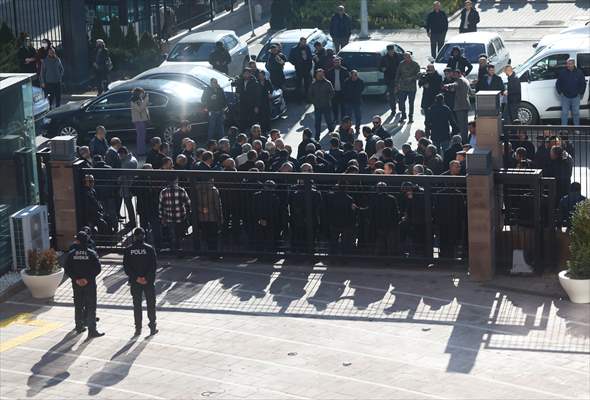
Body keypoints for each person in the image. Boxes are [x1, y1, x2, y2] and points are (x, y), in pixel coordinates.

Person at [64, 230, 104, 338]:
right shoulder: (91, 253)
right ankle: (92, 330)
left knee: (78, 305)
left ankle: (79, 326)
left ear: (77, 241)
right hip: (89, 284)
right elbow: (98, 269)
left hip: (76, 285)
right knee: (91, 306)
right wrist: (87, 279)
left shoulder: (71, 254)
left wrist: (76, 279)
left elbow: (67, 268)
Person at [123, 227, 158, 336]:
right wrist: (146, 278)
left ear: (134, 236)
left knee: (137, 304)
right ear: (144, 236)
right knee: (151, 304)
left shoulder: (129, 250)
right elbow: (153, 266)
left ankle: (138, 328)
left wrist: (136, 278)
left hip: (135, 282)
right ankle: (152, 326)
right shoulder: (149, 249)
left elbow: (126, 267)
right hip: (148, 282)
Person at [159, 178, 191, 255]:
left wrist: (162, 217)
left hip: (169, 217)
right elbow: (188, 203)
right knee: (180, 234)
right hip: (181, 216)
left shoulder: (163, 192)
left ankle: (174, 249)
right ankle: (180, 250)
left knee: (172, 234)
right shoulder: (181, 190)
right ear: (176, 181)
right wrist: (188, 213)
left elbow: (161, 206)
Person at [556, 58, 586, 126]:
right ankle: (564, 129)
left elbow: (583, 83)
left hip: (576, 97)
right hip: (565, 97)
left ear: (573, 64)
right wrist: (560, 92)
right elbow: (558, 83)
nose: (569, 65)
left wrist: (581, 93)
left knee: (576, 113)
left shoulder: (579, 72)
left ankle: (577, 128)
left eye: (570, 64)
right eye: (568, 64)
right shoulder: (562, 72)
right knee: (564, 113)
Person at [446, 69, 472, 142]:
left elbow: (454, 85)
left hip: (460, 105)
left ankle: (464, 141)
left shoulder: (460, 80)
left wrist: (447, 86)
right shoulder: (465, 80)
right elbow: (470, 92)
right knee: (465, 124)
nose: (454, 76)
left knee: (462, 125)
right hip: (465, 104)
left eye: (455, 74)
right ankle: (465, 139)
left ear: (458, 74)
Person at [309, 68, 335, 140]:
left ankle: (332, 134)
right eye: (318, 75)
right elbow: (310, 94)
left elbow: (332, 93)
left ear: (323, 75)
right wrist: (314, 102)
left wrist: (327, 99)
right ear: (316, 75)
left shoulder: (328, 83)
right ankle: (317, 136)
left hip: (326, 105)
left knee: (329, 121)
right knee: (317, 123)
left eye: (321, 74)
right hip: (317, 106)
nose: (320, 76)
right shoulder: (313, 84)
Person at [395, 52, 420, 123]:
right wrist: (396, 84)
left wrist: (412, 78)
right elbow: (398, 74)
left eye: (408, 57)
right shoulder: (401, 64)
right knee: (402, 102)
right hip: (403, 86)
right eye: (405, 57)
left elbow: (418, 75)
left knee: (411, 103)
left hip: (412, 87)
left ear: (410, 57)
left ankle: (410, 117)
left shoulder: (415, 64)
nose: (407, 58)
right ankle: (403, 115)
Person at [118, 146, 138, 228]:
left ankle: (132, 222)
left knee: (129, 206)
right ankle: (132, 221)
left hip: (126, 187)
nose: (119, 157)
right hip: (131, 185)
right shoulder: (133, 159)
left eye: (119, 155)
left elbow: (122, 177)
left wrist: (118, 181)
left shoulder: (126, 163)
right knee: (130, 205)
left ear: (122, 154)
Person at [380, 44, 402, 115]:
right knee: (391, 96)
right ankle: (393, 110)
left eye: (392, 50)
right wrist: (382, 69)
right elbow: (380, 67)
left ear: (394, 50)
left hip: (399, 79)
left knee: (400, 94)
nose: (391, 52)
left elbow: (402, 65)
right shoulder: (384, 58)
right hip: (389, 79)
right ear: (387, 51)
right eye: (389, 51)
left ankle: (401, 108)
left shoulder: (399, 56)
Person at [289, 37, 313, 101]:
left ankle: (307, 98)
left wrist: (309, 65)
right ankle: (299, 99)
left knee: (307, 84)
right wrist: (296, 64)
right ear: (300, 41)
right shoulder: (294, 49)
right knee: (298, 85)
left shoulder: (307, 48)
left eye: (305, 42)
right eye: (303, 42)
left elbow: (310, 57)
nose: (304, 43)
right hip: (299, 69)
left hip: (307, 69)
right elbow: (290, 59)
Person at [326, 57, 349, 122]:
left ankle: (343, 119)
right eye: (335, 62)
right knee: (334, 107)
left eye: (338, 62)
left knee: (343, 107)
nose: (337, 63)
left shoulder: (345, 70)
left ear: (340, 62)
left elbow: (347, 81)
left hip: (342, 92)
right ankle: (336, 118)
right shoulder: (330, 71)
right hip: (334, 92)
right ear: (333, 63)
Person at [130, 87, 150, 156]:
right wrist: (146, 100)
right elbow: (140, 109)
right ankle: (140, 152)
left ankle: (142, 150)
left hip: (142, 120)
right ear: (138, 93)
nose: (143, 94)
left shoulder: (139, 99)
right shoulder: (134, 100)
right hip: (139, 120)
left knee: (142, 136)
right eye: (142, 93)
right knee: (140, 136)